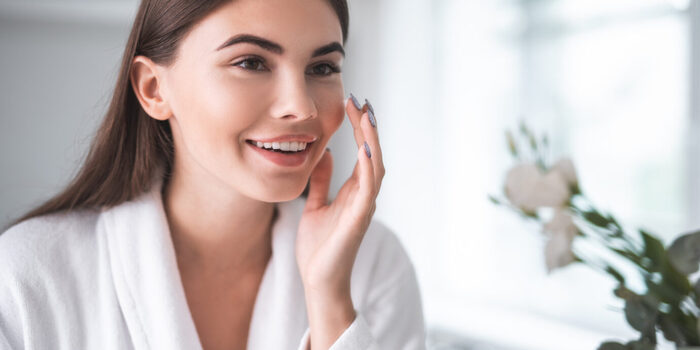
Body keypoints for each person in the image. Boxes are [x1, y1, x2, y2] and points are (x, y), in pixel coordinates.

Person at [0, 0, 426, 349]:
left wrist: (330, 299)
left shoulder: (374, 266)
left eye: (322, 68)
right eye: (251, 62)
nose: (302, 107)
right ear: (153, 88)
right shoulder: (27, 277)